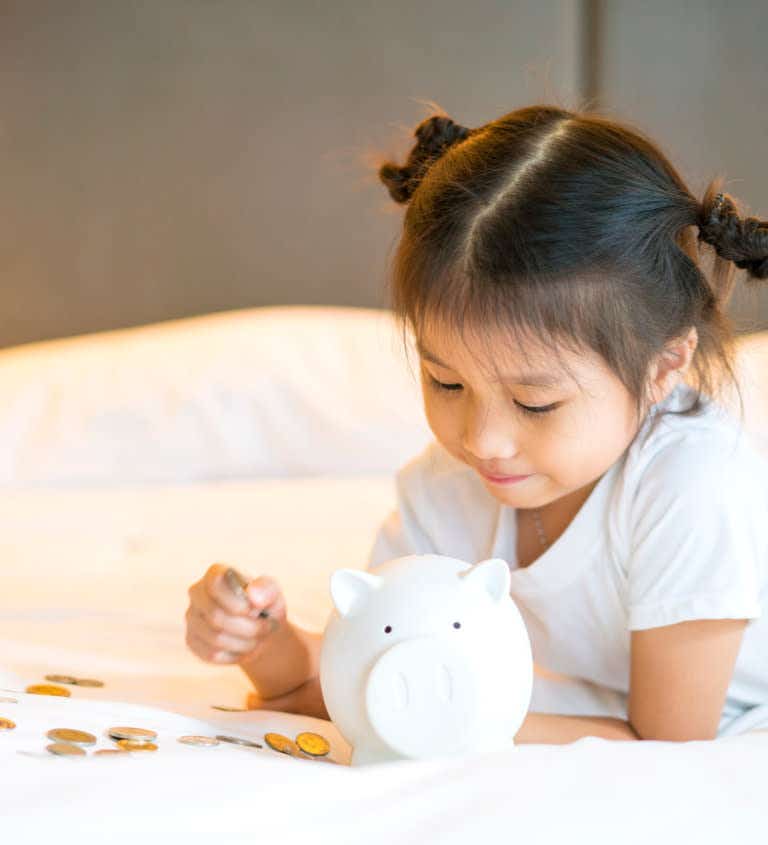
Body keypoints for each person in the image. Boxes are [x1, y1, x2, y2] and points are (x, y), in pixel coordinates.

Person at [184, 103, 768, 742]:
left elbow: (668, 747)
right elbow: (346, 685)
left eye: (536, 403)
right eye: (447, 382)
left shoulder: (691, 487)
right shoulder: (442, 490)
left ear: (663, 368)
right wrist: (264, 643)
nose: (482, 441)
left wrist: (441, 714)